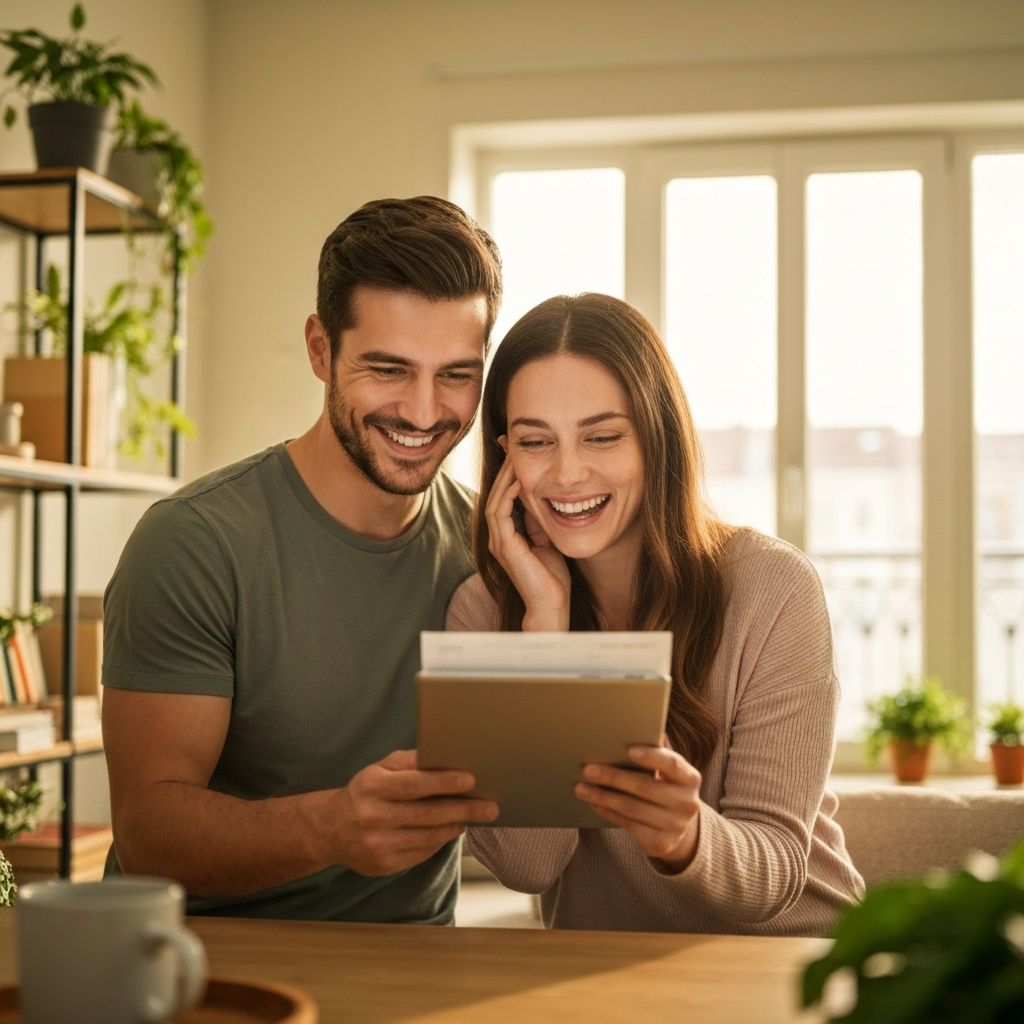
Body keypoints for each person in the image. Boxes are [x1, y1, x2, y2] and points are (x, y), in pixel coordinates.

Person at [101, 196, 503, 923]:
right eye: (388, 369)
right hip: (210, 963)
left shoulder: (494, 552)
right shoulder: (195, 542)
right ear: (321, 350)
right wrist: (331, 828)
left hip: (414, 966)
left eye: (456, 374)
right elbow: (147, 833)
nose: (421, 411)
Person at [448, 292, 865, 936]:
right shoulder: (484, 611)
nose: (567, 473)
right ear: (507, 460)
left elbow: (778, 872)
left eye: (603, 436)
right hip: (609, 973)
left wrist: (685, 836)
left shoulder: (773, 588)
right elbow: (527, 867)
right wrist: (545, 632)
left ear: (656, 439)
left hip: (787, 958)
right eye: (536, 441)